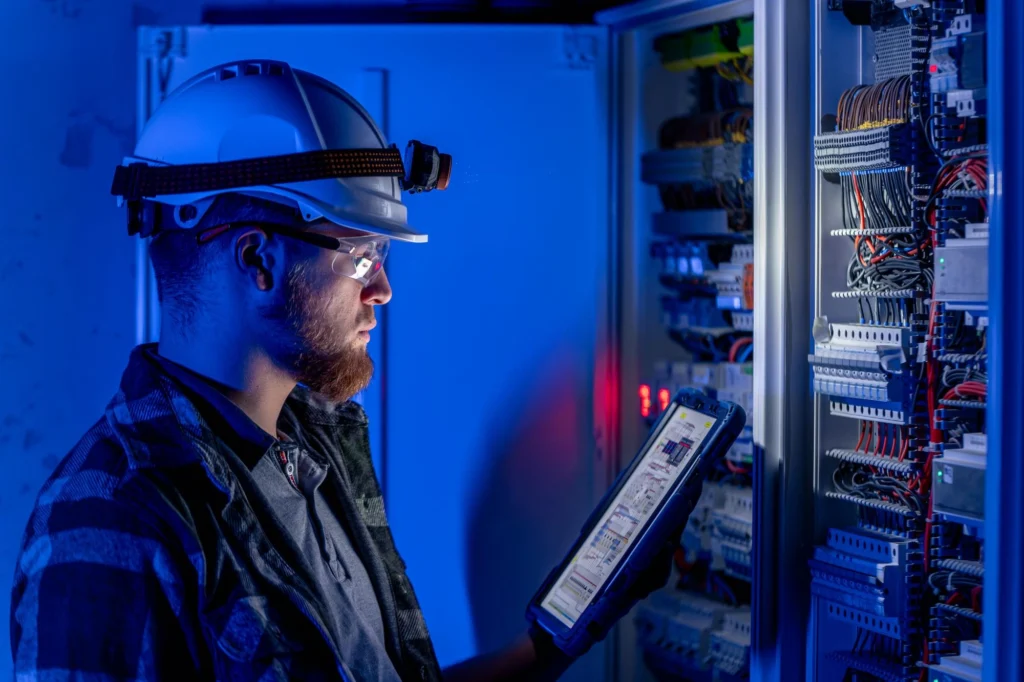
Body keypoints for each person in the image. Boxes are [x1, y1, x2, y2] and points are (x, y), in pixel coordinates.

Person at [10, 60, 673, 681]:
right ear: (258, 260)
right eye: (361, 256)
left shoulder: (312, 447)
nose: (382, 289)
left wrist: (558, 637)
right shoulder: (109, 523)